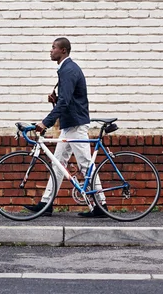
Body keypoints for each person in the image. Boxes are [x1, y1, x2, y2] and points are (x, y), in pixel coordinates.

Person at [24, 37, 107, 218]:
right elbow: (66, 101)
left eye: (53, 47)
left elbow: (66, 101)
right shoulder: (66, 69)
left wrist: (45, 121)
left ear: (63, 51)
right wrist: (56, 102)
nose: (50, 50)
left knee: (85, 164)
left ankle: (101, 205)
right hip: (70, 125)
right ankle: (46, 204)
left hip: (76, 125)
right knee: (58, 164)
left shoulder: (68, 70)